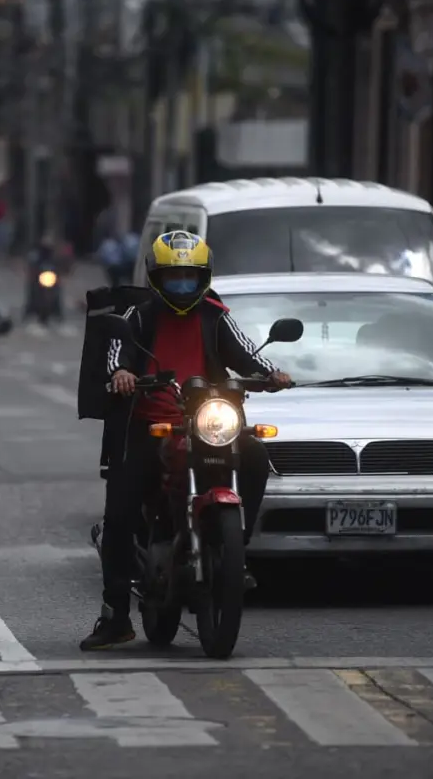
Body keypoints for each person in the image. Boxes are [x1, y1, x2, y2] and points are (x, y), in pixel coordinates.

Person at [81, 231, 293, 651]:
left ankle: (236, 547)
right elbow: (116, 357)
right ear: (158, 278)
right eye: (174, 277)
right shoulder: (138, 317)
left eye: (191, 277)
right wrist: (121, 375)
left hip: (208, 423)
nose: (183, 285)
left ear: (204, 278)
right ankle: (115, 615)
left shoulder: (216, 315)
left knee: (255, 454)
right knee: (120, 515)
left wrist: (272, 374)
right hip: (149, 426)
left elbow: (248, 354)